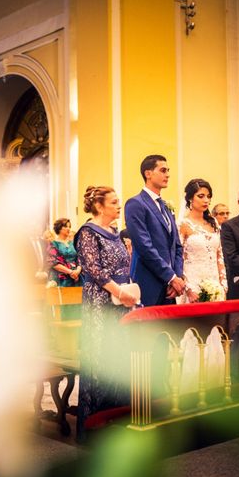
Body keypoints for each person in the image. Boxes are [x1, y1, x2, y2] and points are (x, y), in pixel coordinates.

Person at [74, 186, 136, 442]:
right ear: (99, 206)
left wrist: (130, 292)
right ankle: (94, 423)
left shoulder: (114, 233)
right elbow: (95, 272)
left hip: (120, 300)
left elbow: (124, 265)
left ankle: (116, 416)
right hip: (101, 301)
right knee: (101, 355)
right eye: (114, 202)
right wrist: (120, 293)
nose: (118, 205)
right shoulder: (88, 233)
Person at [124, 155, 184, 306]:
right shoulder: (135, 204)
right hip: (148, 283)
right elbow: (144, 246)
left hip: (171, 287)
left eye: (168, 171)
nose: (168, 174)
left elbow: (176, 246)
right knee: (148, 329)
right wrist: (170, 276)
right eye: (163, 170)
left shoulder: (166, 207)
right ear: (148, 173)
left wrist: (177, 276)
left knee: (170, 329)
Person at [177, 179, 227, 303]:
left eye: (208, 196)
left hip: (215, 284)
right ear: (190, 199)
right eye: (201, 196)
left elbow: (219, 255)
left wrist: (223, 285)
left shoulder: (213, 222)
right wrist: (188, 288)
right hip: (193, 284)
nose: (206, 200)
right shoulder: (183, 224)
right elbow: (179, 258)